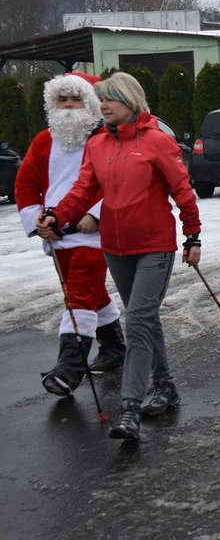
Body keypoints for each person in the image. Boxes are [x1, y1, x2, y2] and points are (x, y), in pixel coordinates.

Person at [37, 72, 201, 441]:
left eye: (110, 98)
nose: (104, 105)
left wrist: (193, 235)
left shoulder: (157, 141)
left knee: (138, 320)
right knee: (146, 319)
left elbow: (183, 190)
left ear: (130, 100)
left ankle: (129, 409)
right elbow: (83, 191)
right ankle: (165, 386)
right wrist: (56, 215)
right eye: (101, 99)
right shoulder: (97, 145)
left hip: (155, 245)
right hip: (115, 247)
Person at [16, 73, 126, 397]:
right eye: (61, 100)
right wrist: (35, 219)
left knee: (78, 294)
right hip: (56, 233)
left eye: (75, 99)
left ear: (89, 103)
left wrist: (96, 215)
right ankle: (114, 347)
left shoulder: (106, 139)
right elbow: (25, 184)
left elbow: (122, 183)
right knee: (88, 292)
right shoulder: (42, 141)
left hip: (93, 234)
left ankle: (69, 369)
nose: (68, 106)